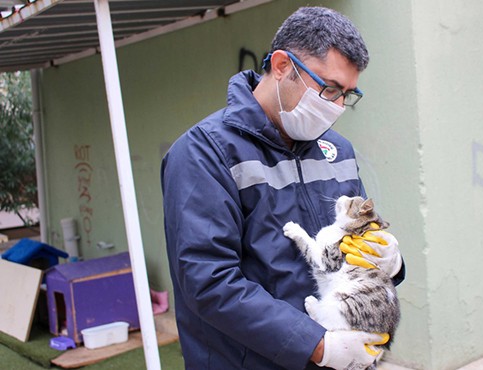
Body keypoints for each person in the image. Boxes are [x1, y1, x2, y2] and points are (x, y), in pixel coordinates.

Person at [161, 6, 404, 370]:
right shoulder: (203, 153)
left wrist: (389, 260)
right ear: (281, 66)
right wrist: (316, 345)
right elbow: (210, 282)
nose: (337, 106)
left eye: (348, 94)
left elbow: (356, 239)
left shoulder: (337, 149)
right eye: (330, 88)